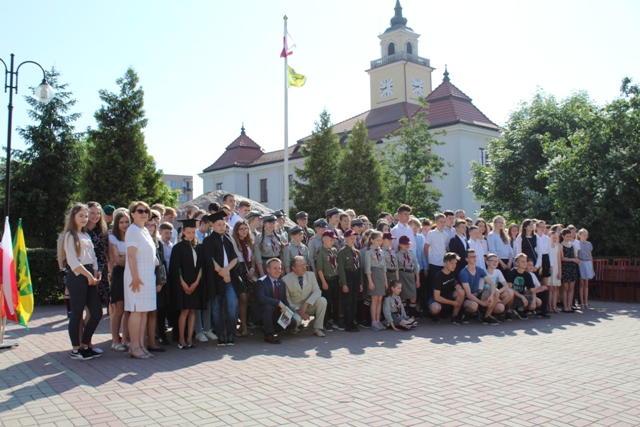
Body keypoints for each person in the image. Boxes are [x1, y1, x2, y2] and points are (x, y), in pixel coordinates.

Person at [62, 203, 103, 361]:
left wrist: (96, 271)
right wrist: (88, 276)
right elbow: (73, 262)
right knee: (77, 314)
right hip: (77, 275)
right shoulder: (69, 235)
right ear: (73, 217)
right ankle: (76, 349)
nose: (85, 219)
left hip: (89, 274)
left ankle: (85, 345)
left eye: (86, 216)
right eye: (81, 216)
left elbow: (93, 257)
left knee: (97, 313)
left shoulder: (86, 235)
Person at [123, 201, 158, 359]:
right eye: (140, 211)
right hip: (136, 277)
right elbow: (131, 255)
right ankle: (134, 346)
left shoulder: (144, 230)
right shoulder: (132, 230)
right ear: (132, 214)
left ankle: (141, 345)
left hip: (148, 277)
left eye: (146, 211)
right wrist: (135, 277)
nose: (144, 213)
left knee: (144, 312)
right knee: (137, 311)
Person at [202, 210, 240, 346]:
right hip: (215, 278)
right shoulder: (208, 241)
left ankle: (230, 332)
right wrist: (222, 273)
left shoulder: (228, 239)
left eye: (223, 224)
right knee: (217, 307)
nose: (222, 227)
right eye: (219, 224)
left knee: (232, 305)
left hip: (229, 277)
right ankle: (220, 334)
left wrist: (227, 271)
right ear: (211, 225)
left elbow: (234, 258)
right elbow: (210, 259)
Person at [169, 219, 204, 349]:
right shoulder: (178, 248)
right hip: (183, 284)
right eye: (188, 232)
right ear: (183, 232)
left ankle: (190, 338)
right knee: (184, 311)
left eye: (193, 232)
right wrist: (183, 284)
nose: (191, 235)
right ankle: (181, 339)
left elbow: (201, 266)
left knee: (192, 311)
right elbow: (175, 268)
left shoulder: (198, 247)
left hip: (195, 283)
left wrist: (196, 282)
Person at [282, 256, 327, 337]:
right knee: (296, 320)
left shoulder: (311, 275)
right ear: (293, 268)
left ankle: (318, 328)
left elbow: (317, 291)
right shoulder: (285, 279)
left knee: (322, 300)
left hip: (308, 306)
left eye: (304, 264)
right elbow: (287, 300)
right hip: (295, 309)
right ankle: (293, 328)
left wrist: (306, 304)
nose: (304, 267)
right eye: (300, 266)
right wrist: (299, 310)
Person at [255, 258, 298, 344]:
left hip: (275, 314)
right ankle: (269, 334)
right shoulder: (261, 282)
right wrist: (278, 302)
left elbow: (285, 302)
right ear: (268, 270)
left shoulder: (281, 283)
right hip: (262, 314)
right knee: (268, 306)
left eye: (279, 268)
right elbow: (261, 298)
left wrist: (287, 315)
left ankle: (269, 328)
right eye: (275, 268)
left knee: (293, 323)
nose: (278, 271)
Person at [143, 218, 168, 353]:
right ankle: (143, 342)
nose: (151, 228)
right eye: (147, 225)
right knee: (144, 314)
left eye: (153, 225)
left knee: (156, 311)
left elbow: (161, 264)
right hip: (145, 280)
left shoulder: (158, 242)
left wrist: (160, 282)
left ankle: (153, 341)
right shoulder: (142, 240)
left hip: (157, 281)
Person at [459, 249, 499, 325]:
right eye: (471, 257)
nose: (474, 258)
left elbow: (491, 283)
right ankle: (466, 313)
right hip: (467, 298)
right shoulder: (463, 273)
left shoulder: (479, 269)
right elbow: (469, 294)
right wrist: (482, 303)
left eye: (475, 256)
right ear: (467, 259)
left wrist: (491, 296)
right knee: (474, 306)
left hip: (477, 295)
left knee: (496, 292)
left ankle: (486, 316)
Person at [108, 210, 130, 352]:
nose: (124, 225)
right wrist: (131, 260)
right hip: (119, 274)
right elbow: (116, 259)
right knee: (119, 309)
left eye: (126, 222)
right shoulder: (112, 238)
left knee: (128, 309)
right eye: (121, 222)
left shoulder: (132, 236)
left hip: (131, 274)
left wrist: (126, 259)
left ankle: (126, 339)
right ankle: (115, 341)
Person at [232, 219, 257, 337]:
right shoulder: (234, 243)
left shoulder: (250, 242)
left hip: (248, 271)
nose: (244, 231)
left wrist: (252, 269)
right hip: (238, 270)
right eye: (241, 229)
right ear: (236, 231)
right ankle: (239, 326)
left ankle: (243, 325)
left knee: (246, 300)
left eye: (245, 228)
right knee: (241, 298)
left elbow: (253, 259)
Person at [428, 252, 465, 324]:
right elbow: (437, 297)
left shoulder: (454, 271)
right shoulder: (438, 276)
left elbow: (455, 281)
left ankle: (454, 317)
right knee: (435, 308)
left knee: (461, 292)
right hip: (437, 299)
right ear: (445, 263)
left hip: (449, 295)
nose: (454, 265)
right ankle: (435, 316)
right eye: (451, 263)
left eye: (455, 263)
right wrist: (453, 303)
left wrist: (457, 285)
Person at [316, 230, 342, 331]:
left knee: (336, 300)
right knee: (326, 301)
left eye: (333, 240)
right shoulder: (320, 252)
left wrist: (339, 278)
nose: (332, 242)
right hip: (326, 279)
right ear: (324, 239)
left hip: (335, 278)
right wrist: (323, 282)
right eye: (331, 240)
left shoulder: (334, 250)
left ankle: (336, 320)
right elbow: (319, 269)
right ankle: (325, 321)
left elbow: (337, 265)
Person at [338, 229, 363, 332]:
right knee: (348, 301)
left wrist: (361, 283)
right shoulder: (342, 252)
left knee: (354, 300)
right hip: (348, 275)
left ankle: (353, 321)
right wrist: (344, 283)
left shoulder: (357, 252)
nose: (353, 240)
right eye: (351, 238)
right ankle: (348, 323)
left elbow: (360, 268)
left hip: (356, 275)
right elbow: (341, 269)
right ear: (345, 238)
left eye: (354, 238)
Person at [364, 231, 387, 330]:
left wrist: (385, 280)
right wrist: (370, 282)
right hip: (373, 275)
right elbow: (368, 268)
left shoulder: (382, 251)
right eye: (377, 240)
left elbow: (384, 267)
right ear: (372, 240)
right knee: (374, 300)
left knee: (380, 300)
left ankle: (378, 320)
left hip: (381, 275)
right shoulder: (369, 252)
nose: (379, 242)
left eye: (381, 240)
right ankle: (373, 321)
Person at [87, 202, 109, 306]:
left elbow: (103, 253)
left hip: (99, 270)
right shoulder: (80, 230)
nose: (95, 216)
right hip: (83, 269)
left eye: (98, 213)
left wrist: (99, 270)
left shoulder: (102, 230)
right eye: (92, 213)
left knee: (95, 302)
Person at [425, 213, 448, 300]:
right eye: (441, 222)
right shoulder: (431, 233)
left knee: (441, 284)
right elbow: (426, 248)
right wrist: (428, 260)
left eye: (444, 222)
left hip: (443, 263)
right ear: (436, 222)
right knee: (433, 283)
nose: (443, 224)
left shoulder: (445, 234)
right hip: (434, 262)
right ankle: (431, 301)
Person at [395, 235, 420, 318]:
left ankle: (412, 315)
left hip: (411, 275)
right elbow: (397, 268)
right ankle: (404, 315)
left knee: (413, 297)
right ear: (400, 244)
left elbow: (416, 267)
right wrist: (398, 280)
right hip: (402, 276)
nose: (407, 245)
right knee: (403, 297)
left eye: (408, 244)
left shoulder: (411, 253)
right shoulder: (397, 255)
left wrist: (418, 280)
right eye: (404, 244)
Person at [506, 253, 537, 319]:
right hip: (513, 296)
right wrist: (522, 297)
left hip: (521, 296)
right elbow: (510, 288)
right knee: (510, 294)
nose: (524, 263)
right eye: (522, 261)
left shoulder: (527, 275)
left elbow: (533, 291)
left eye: (525, 261)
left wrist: (533, 302)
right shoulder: (511, 272)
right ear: (517, 263)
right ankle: (508, 311)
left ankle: (520, 309)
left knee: (538, 301)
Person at [158, 222, 174, 344]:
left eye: (170, 233)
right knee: (161, 307)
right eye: (166, 233)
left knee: (170, 305)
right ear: (160, 232)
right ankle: (160, 332)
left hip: (171, 279)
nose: (168, 235)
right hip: (162, 279)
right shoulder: (159, 246)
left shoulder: (172, 246)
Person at [485, 254, 515, 320]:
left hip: (495, 293)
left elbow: (506, 285)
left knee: (510, 292)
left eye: (496, 261)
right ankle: (485, 313)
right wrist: (494, 295)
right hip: (487, 296)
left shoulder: (498, 271)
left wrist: (497, 293)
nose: (495, 263)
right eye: (492, 261)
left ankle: (493, 311)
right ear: (487, 262)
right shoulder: (484, 272)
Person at [560, 229, 580, 312]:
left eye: (570, 236)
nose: (568, 238)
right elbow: (562, 258)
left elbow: (574, 256)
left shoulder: (572, 245)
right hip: (565, 267)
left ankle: (570, 305)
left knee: (571, 288)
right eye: (567, 236)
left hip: (572, 267)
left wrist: (576, 260)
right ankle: (565, 306)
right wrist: (573, 260)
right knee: (565, 288)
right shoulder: (561, 245)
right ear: (563, 236)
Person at [577, 229, 594, 308]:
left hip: (587, 262)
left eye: (586, 235)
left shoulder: (589, 244)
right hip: (580, 262)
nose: (585, 237)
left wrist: (591, 266)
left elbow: (590, 255)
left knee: (586, 283)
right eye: (584, 235)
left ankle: (586, 301)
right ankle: (581, 302)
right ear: (579, 235)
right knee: (581, 283)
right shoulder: (577, 243)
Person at [535, 220, 553, 288]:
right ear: (536, 227)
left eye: (543, 227)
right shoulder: (534, 237)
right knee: (537, 281)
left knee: (545, 282)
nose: (542, 229)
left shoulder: (547, 238)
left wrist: (551, 265)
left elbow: (550, 252)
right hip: (536, 258)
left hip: (545, 259)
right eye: (540, 227)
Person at [548, 231, 562, 313]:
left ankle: (554, 306)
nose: (554, 239)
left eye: (556, 238)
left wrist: (560, 272)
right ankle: (549, 306)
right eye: (553, 237)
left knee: (555, 288)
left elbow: (559, 260)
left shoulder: (557, 247)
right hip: (550, 268)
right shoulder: (547, 246)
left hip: (556, 268)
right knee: (550, 288)